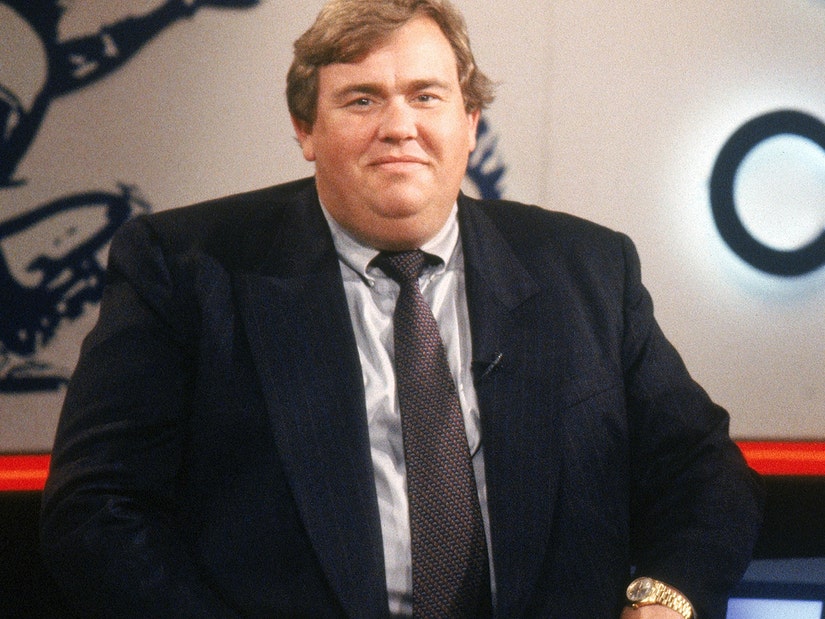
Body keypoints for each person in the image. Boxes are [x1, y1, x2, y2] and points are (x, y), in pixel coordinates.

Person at [40, 0, 764, 617]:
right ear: (304, 129)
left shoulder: (589, 269)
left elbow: (702, 469)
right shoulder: (184, 268)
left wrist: (663, 598)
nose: (398, 126)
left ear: (470, 121)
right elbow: (97, 509)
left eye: (426, 96)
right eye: (362, 99)